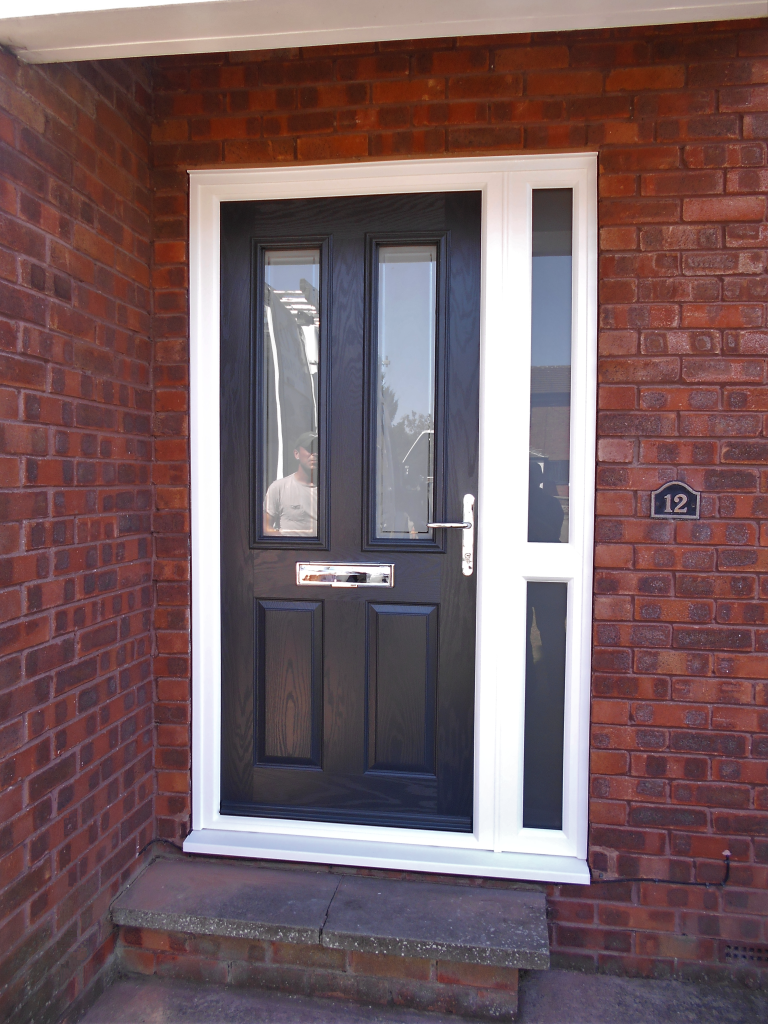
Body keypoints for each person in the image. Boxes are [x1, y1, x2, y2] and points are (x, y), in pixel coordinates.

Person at [263, 432, 318, 536]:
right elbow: (266, 528)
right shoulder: (279, 488)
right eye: (310, 448)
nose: (315, 453)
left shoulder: (331, 490)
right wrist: (286, 545)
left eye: (318, 449)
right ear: (296, 454)